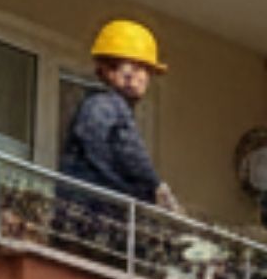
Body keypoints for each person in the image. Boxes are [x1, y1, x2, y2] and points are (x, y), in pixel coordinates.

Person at [58, 20, 182, 264]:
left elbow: (127, 155)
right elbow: (112, 153)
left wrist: (150, 190)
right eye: (135, 68)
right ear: (108, 70)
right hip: (91, 213)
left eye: (145, 70)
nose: (140, 77)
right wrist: (148, 189)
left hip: (94, 216)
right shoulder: (104, 105)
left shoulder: (110, 108)